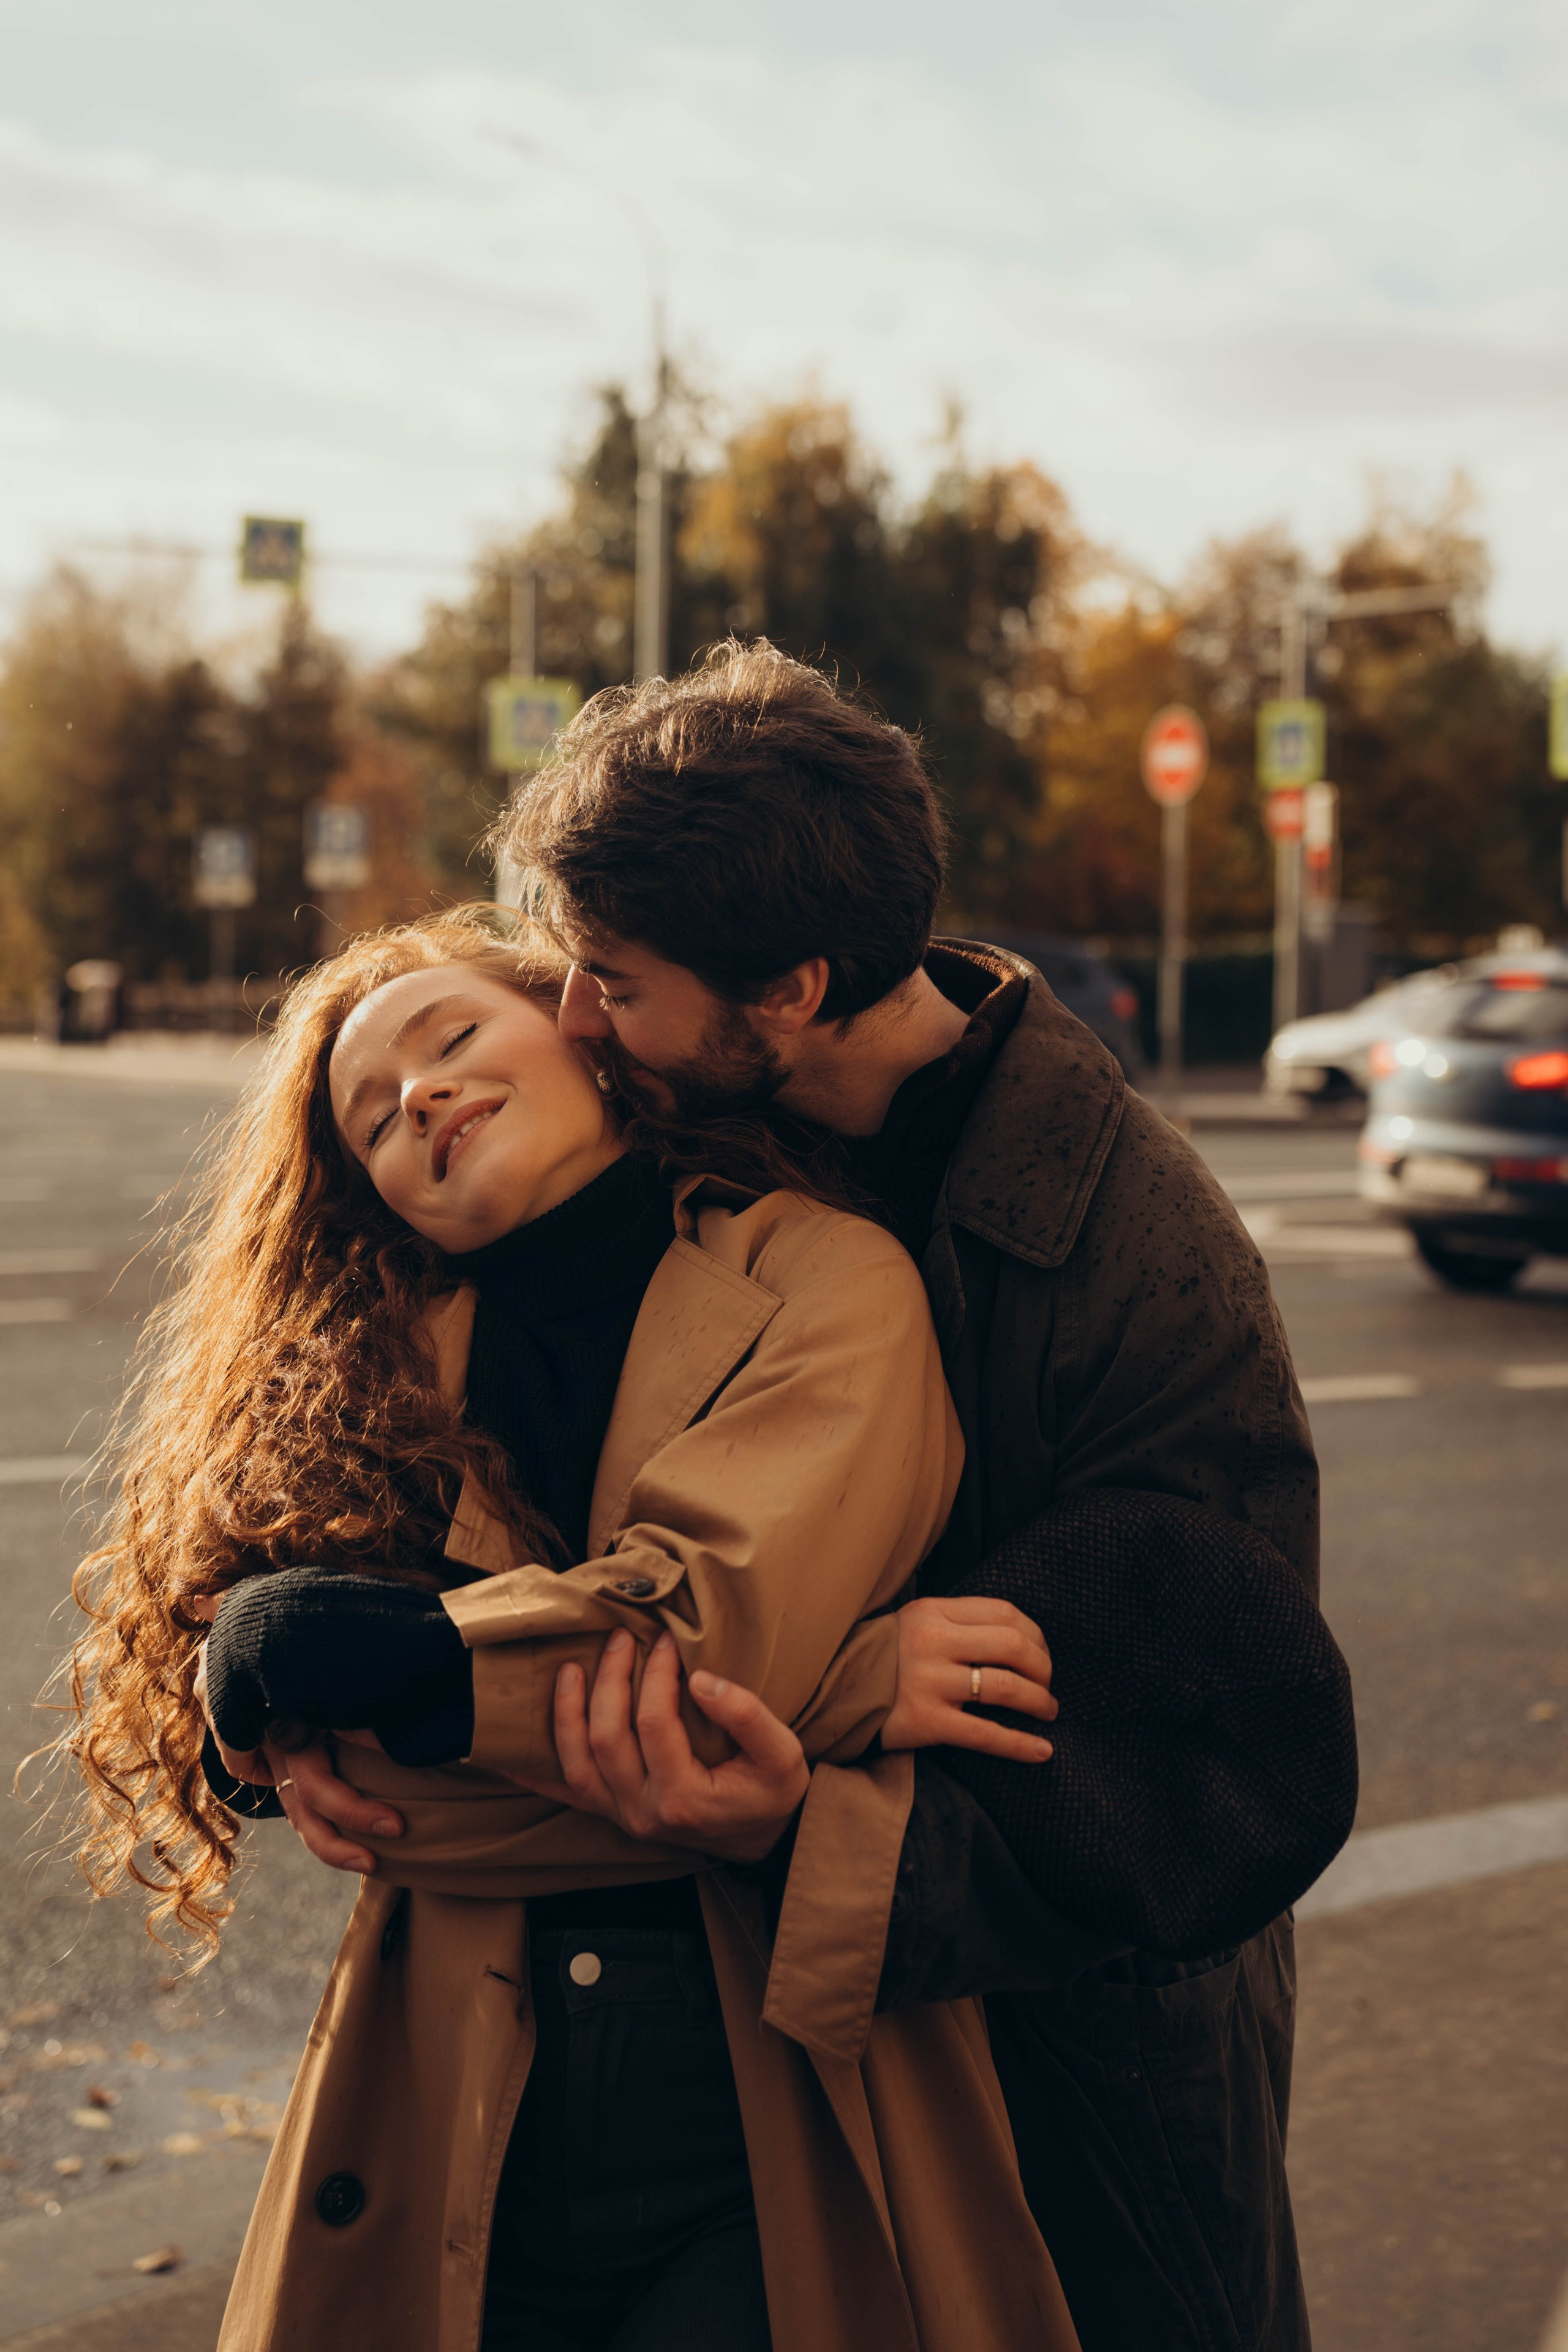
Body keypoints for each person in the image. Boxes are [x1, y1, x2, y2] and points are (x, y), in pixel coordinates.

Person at [429, 641, 1354, 2352]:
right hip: (738, 2074)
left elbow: (1206, 1769)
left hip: (1065, 2090)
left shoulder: (1137, 1262)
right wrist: (292, 1720)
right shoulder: (675, 1126)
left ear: (786, 990)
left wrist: (806, 1816)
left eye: (611, 981)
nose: (570, 1018)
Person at [62, 911, 1080, 2352]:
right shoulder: (361, 1395)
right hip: (457, 2090)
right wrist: (845, 1692)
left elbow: (698, 1652)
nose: (417, 1092)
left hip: (754, 2085)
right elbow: (430, 1786)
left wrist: (388, 1674)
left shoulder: (826, 1279)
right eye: (371, 1116)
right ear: (379, 1202)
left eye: (453, 1034)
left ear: (584, 1033)